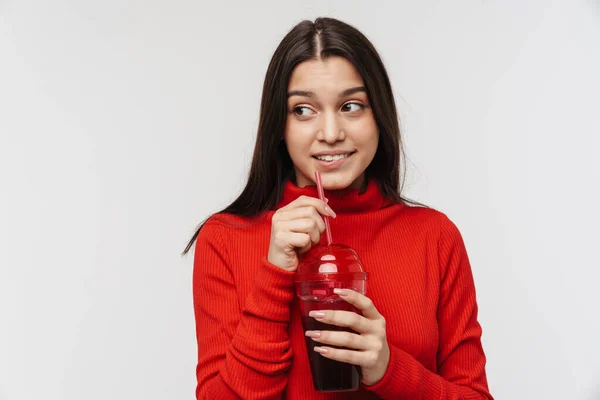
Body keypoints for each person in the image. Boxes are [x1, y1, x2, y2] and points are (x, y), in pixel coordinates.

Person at [183, 17, 493, 400]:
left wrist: (388, 369)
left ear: (379, 115)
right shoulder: (226, 238)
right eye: (303, 110)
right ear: (278, 125)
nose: (330, 133)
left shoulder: (435, 236)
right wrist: (275, 272)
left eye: (351, 106)